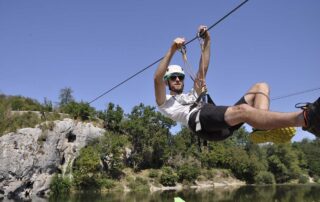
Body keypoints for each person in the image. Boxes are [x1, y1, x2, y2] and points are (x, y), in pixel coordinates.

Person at [154, 25, 320, 143]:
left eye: (180, 77)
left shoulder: (192, 95)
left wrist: (207, 42)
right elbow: (156, 79)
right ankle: (306, 118)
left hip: (219, 121)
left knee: (261, 87)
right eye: (173, 77)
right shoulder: (166, 102)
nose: (177, 80)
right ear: (167, 81)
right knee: (244, 111)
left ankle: (261, 129)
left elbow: (202, 70)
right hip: (201, 123)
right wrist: (172, 50)